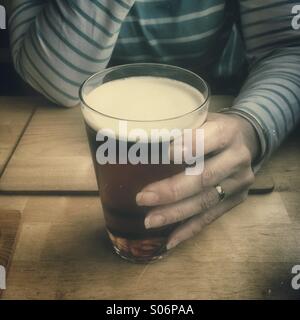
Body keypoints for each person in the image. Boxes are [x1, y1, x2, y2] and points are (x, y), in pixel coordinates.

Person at [9, 0, 300, 250]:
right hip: (59, 149)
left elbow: (289, 48)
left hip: (211, 121)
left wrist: (252, 125)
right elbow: (53, 81)